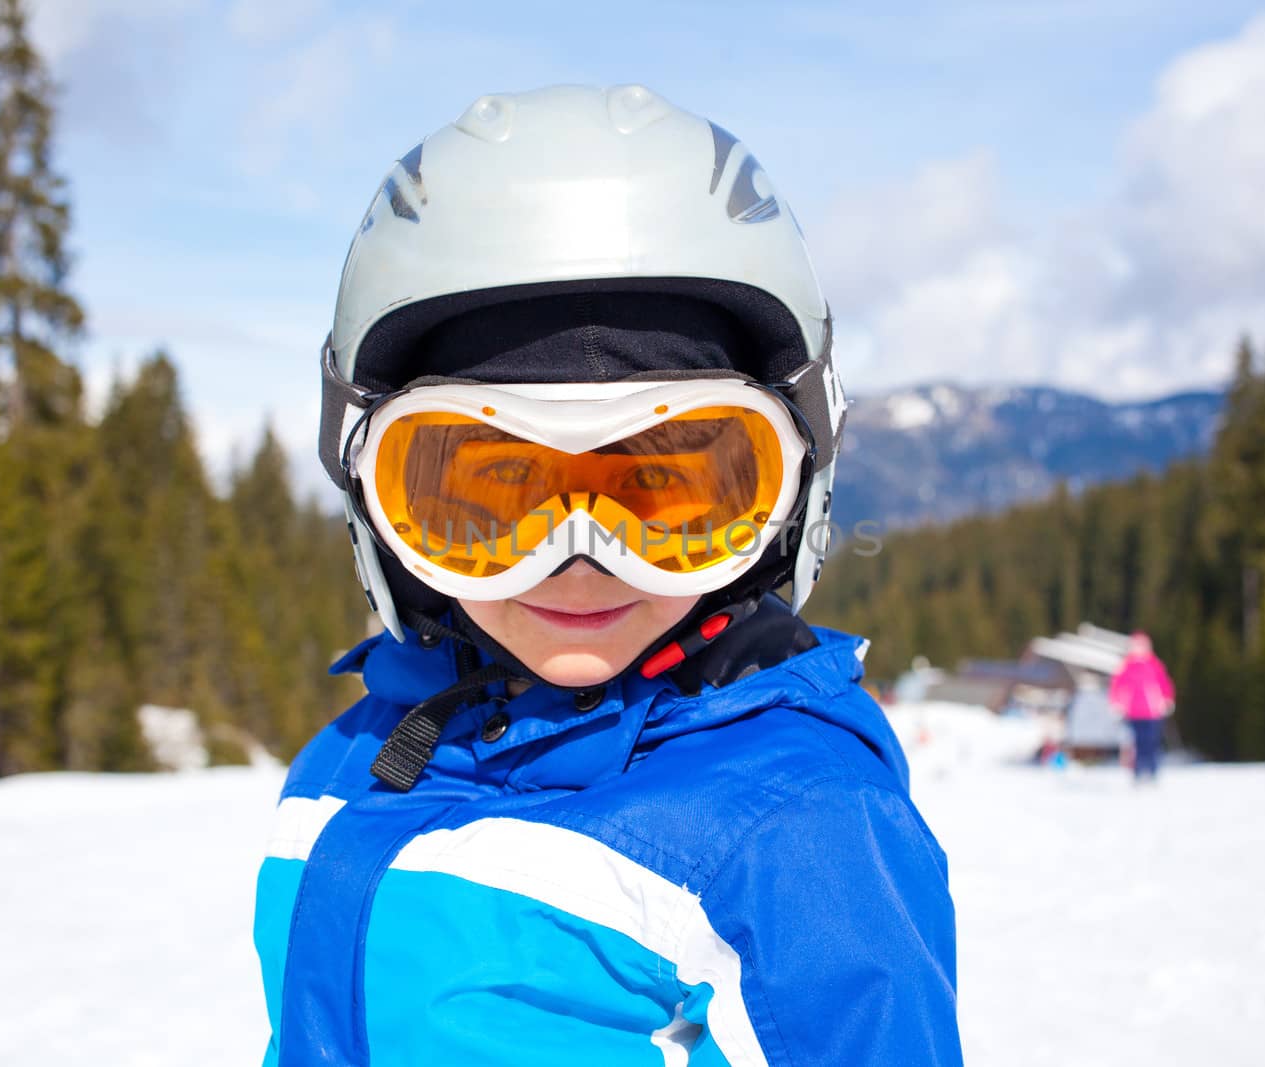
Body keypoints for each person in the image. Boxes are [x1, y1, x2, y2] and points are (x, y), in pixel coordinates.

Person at [253, 84, 963, 1066]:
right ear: (371, 489)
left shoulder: (798, 828)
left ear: (783, 497)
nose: (578, 558)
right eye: (493, 493)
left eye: (664, 491)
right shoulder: (355, 755)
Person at [1108, 632, 1175, 782]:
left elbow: (1164, 683)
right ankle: (1137, 772)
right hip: (1132, 712)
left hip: (1152, 712)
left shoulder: (1154, 665)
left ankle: (1151, 771)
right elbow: (1117, 686)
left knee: (1151, 742)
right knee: (1136, 744)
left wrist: (1167, 699)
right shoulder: (1126, 666)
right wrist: (1116, 703)